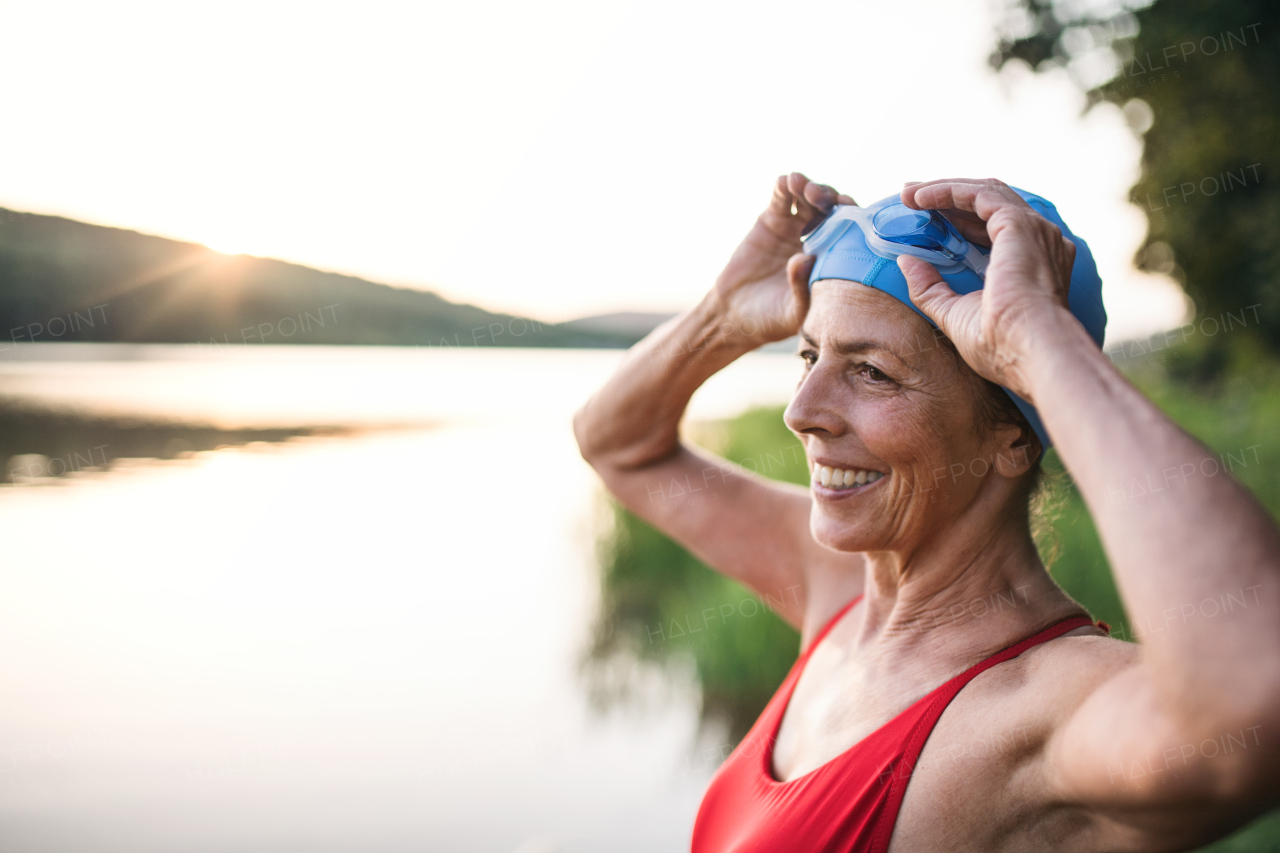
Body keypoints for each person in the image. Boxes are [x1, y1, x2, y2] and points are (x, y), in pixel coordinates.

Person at [573, 173, 1280, 851]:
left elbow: (1254, 688)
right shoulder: (841, 587)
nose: (801, 412)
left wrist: (1035, 338)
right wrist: (721, 318)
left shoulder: (1040, 712)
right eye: (809, 356)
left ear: (1010, 437)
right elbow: (619, 444)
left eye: (871, 371)